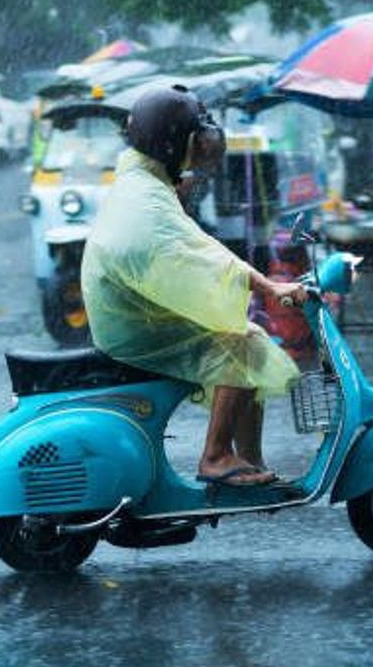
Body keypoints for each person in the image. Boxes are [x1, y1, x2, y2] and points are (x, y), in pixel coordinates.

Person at [81, 86, 307, 487]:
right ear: (173, 144)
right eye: (194, 137)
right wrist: (271, 289)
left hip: (132, 307)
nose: (203, 145)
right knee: (239, 342)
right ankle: (216, 457)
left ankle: (248, 459)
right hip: (130, 324)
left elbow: (192, 245)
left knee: (248, 337)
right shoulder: (147, 199)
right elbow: (204, 260)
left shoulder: (144, 179)